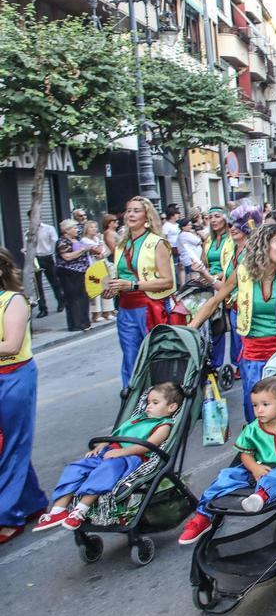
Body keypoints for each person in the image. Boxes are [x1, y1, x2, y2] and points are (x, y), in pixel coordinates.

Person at [178, 375, 276, 544]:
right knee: (226, 475)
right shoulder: (253, 429)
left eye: (265, 405)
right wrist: (253, 468)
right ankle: (203, 516)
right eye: (255, 405)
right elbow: (245, 455)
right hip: (255, 466)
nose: (259, 410)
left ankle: (260, 496)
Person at [188, 223, 276, 423]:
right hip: (253, 351)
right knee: (255, 408)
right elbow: (215, 301)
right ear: (264, 246)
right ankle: (256, 448)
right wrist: (190, 329)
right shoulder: (243, 272)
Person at [33, 382, 182, 532]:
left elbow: (147, 446)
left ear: (171, 407)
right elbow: (115, 435)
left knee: (106, 470)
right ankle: (57, 511)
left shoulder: (164, 425)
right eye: (148, 402)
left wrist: (121, 452)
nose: (149, 406)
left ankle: (80, 510)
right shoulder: (138, 417)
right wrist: (100, 446)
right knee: (75, 468)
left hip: (131, 458)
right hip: (110, 451)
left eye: (155, 403)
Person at [104, 197, 175, 388]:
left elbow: (167, 281)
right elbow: (120, 278)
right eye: (128, 210)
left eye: (136, 210)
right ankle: (133, 402)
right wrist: (111, 290)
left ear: (147, 216)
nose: (130, 214)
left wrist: (133, 285)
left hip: (149, 307)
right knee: (130, 359)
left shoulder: (157, 242)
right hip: (125, 309)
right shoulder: (121, 245)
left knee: (155, 358)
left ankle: (160, 401)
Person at [0, 249, 46, 546]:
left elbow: (12, 343)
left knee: (12, 444)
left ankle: (7, 516)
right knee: (11, 444)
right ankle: (32, 502)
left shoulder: (13, 300)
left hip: (14, 375)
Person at [202, 207, 236, 370]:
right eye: (210, 217)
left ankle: (238, 363)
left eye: (217, 216)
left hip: (228, 283)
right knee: (216, 324)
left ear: (225, 218)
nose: (213, 220)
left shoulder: (232, 238)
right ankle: (215, 363)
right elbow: (205, 262)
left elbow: (233, 265)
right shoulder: (208, 240)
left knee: (235, 326)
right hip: (211, 284)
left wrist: (217, 276)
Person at [56, 219, 98, 332]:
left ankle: (85, 322)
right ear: (67, 230)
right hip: (69, 273)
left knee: (83, 297)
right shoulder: (62, 241)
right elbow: (67, 257)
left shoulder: (78, 240)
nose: (77, 230)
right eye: (74, 228)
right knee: (73, 298)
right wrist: (83, 249)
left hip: (82, 272)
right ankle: (75, 323)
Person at [80, 220, 114, 324]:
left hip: (103, 265)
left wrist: (102, 253)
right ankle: (96, 313)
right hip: (93, 267)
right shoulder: (84, 240)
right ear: (86, 229)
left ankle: (108, 311)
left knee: (107, 287)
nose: (94, 229)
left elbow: (107, 251)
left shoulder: (97, 238)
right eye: (91, 227)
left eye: (95, 227)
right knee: (96, 290)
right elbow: (98, 250)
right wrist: (101, 244)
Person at [32, 217, 63, 318]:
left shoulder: (49, 228)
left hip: (47, 257)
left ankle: (61, 301)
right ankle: (43, 308)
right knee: (38, 286)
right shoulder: (29, 231)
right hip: (35, 258)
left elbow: (55, 241)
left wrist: (50, 252)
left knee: (54, 281)